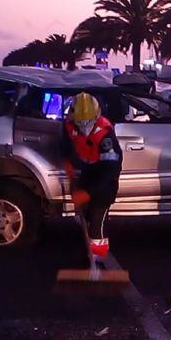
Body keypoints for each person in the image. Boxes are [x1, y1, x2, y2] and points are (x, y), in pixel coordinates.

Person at [61, 92, 122, 259]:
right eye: (80, 121)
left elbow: (110, 168)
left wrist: (87, 192)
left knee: (97, 218)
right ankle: (90, 252)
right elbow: (65, 145)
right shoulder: (69, 126)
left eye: (88, 121)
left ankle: (98, 258)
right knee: (86, 215)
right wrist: (67, 161)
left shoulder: (105, 134)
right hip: (87, 173)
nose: (84, 125)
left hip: (105, 179)